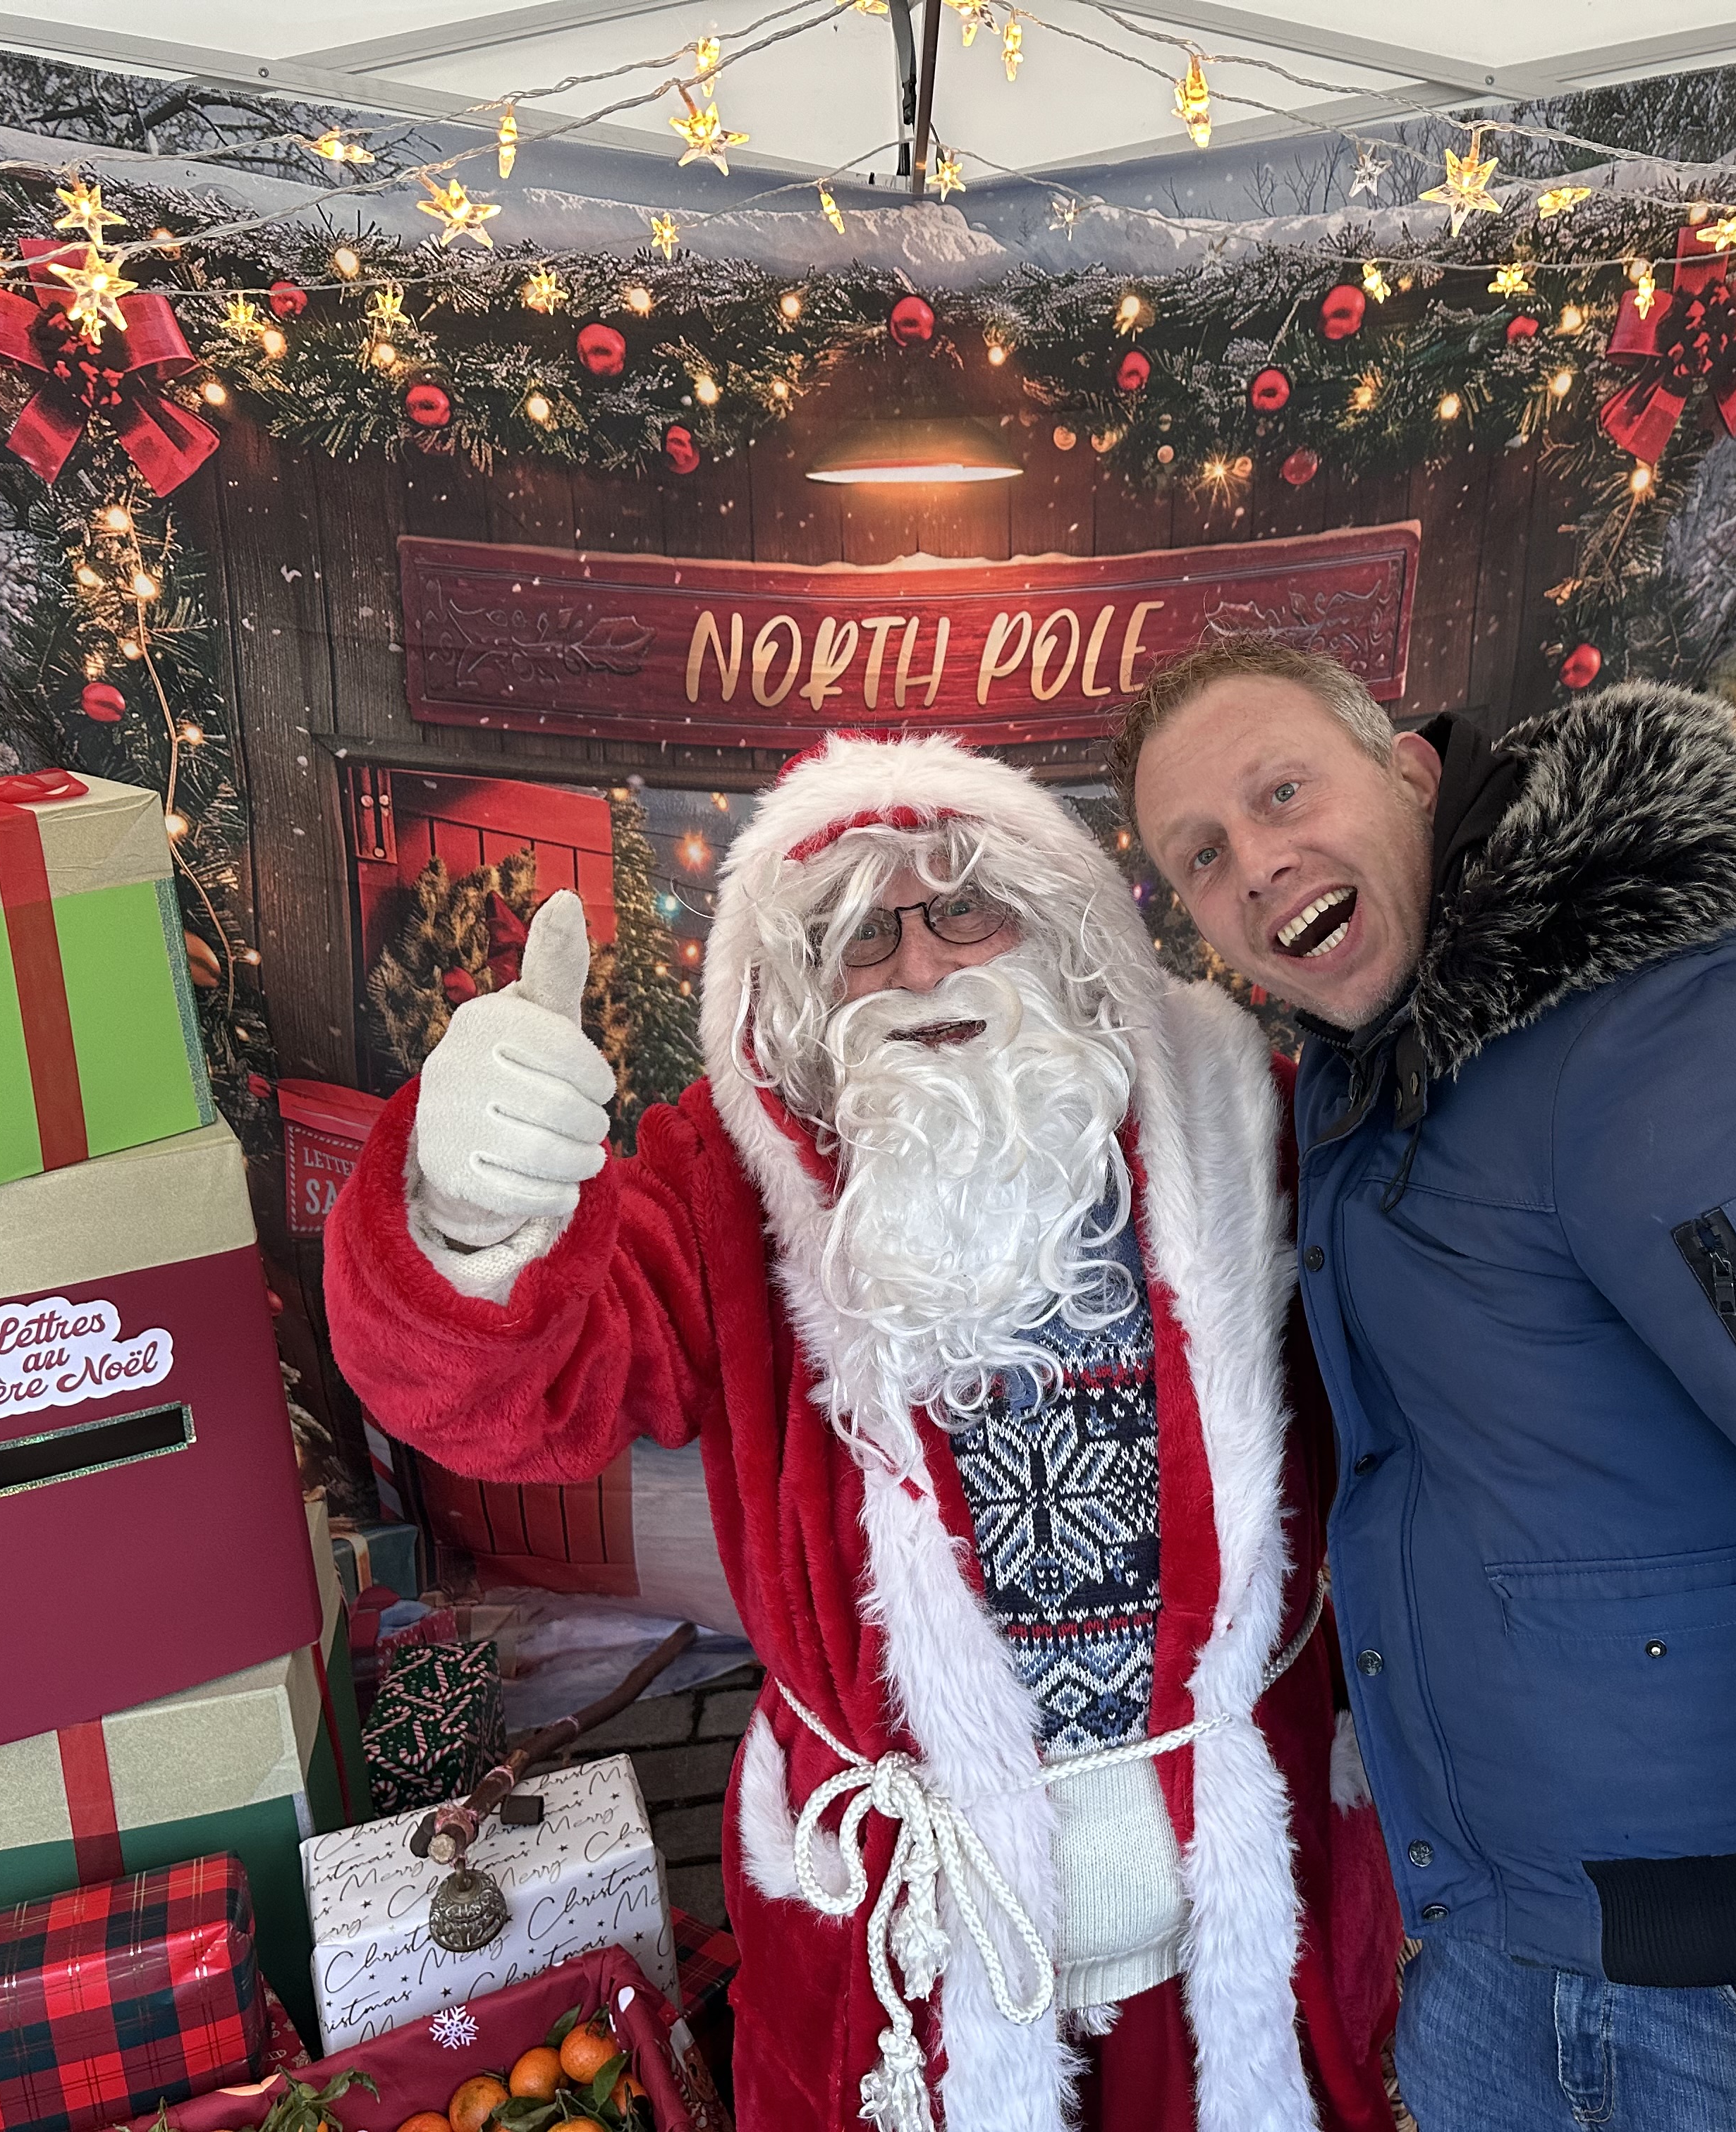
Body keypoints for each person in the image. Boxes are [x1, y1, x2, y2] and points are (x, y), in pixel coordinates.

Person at [1118, 637, 1736, 2132]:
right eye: (1201, 853)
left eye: (1284, 792)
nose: (1257, 862)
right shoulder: (1374, 1069)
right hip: (1514, 1972)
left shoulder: (1676, 1036)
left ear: (1412, 773)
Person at [322, 731, 1396, 2132]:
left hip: (1234, 1904)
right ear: (798, 987)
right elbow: (514, 1395)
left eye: (965, 909)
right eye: (859, 938)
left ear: (1058, 926)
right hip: (911, 1942)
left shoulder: (1240, 1122)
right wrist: (467, 1219)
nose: (922, 968)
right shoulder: (730, 1182)